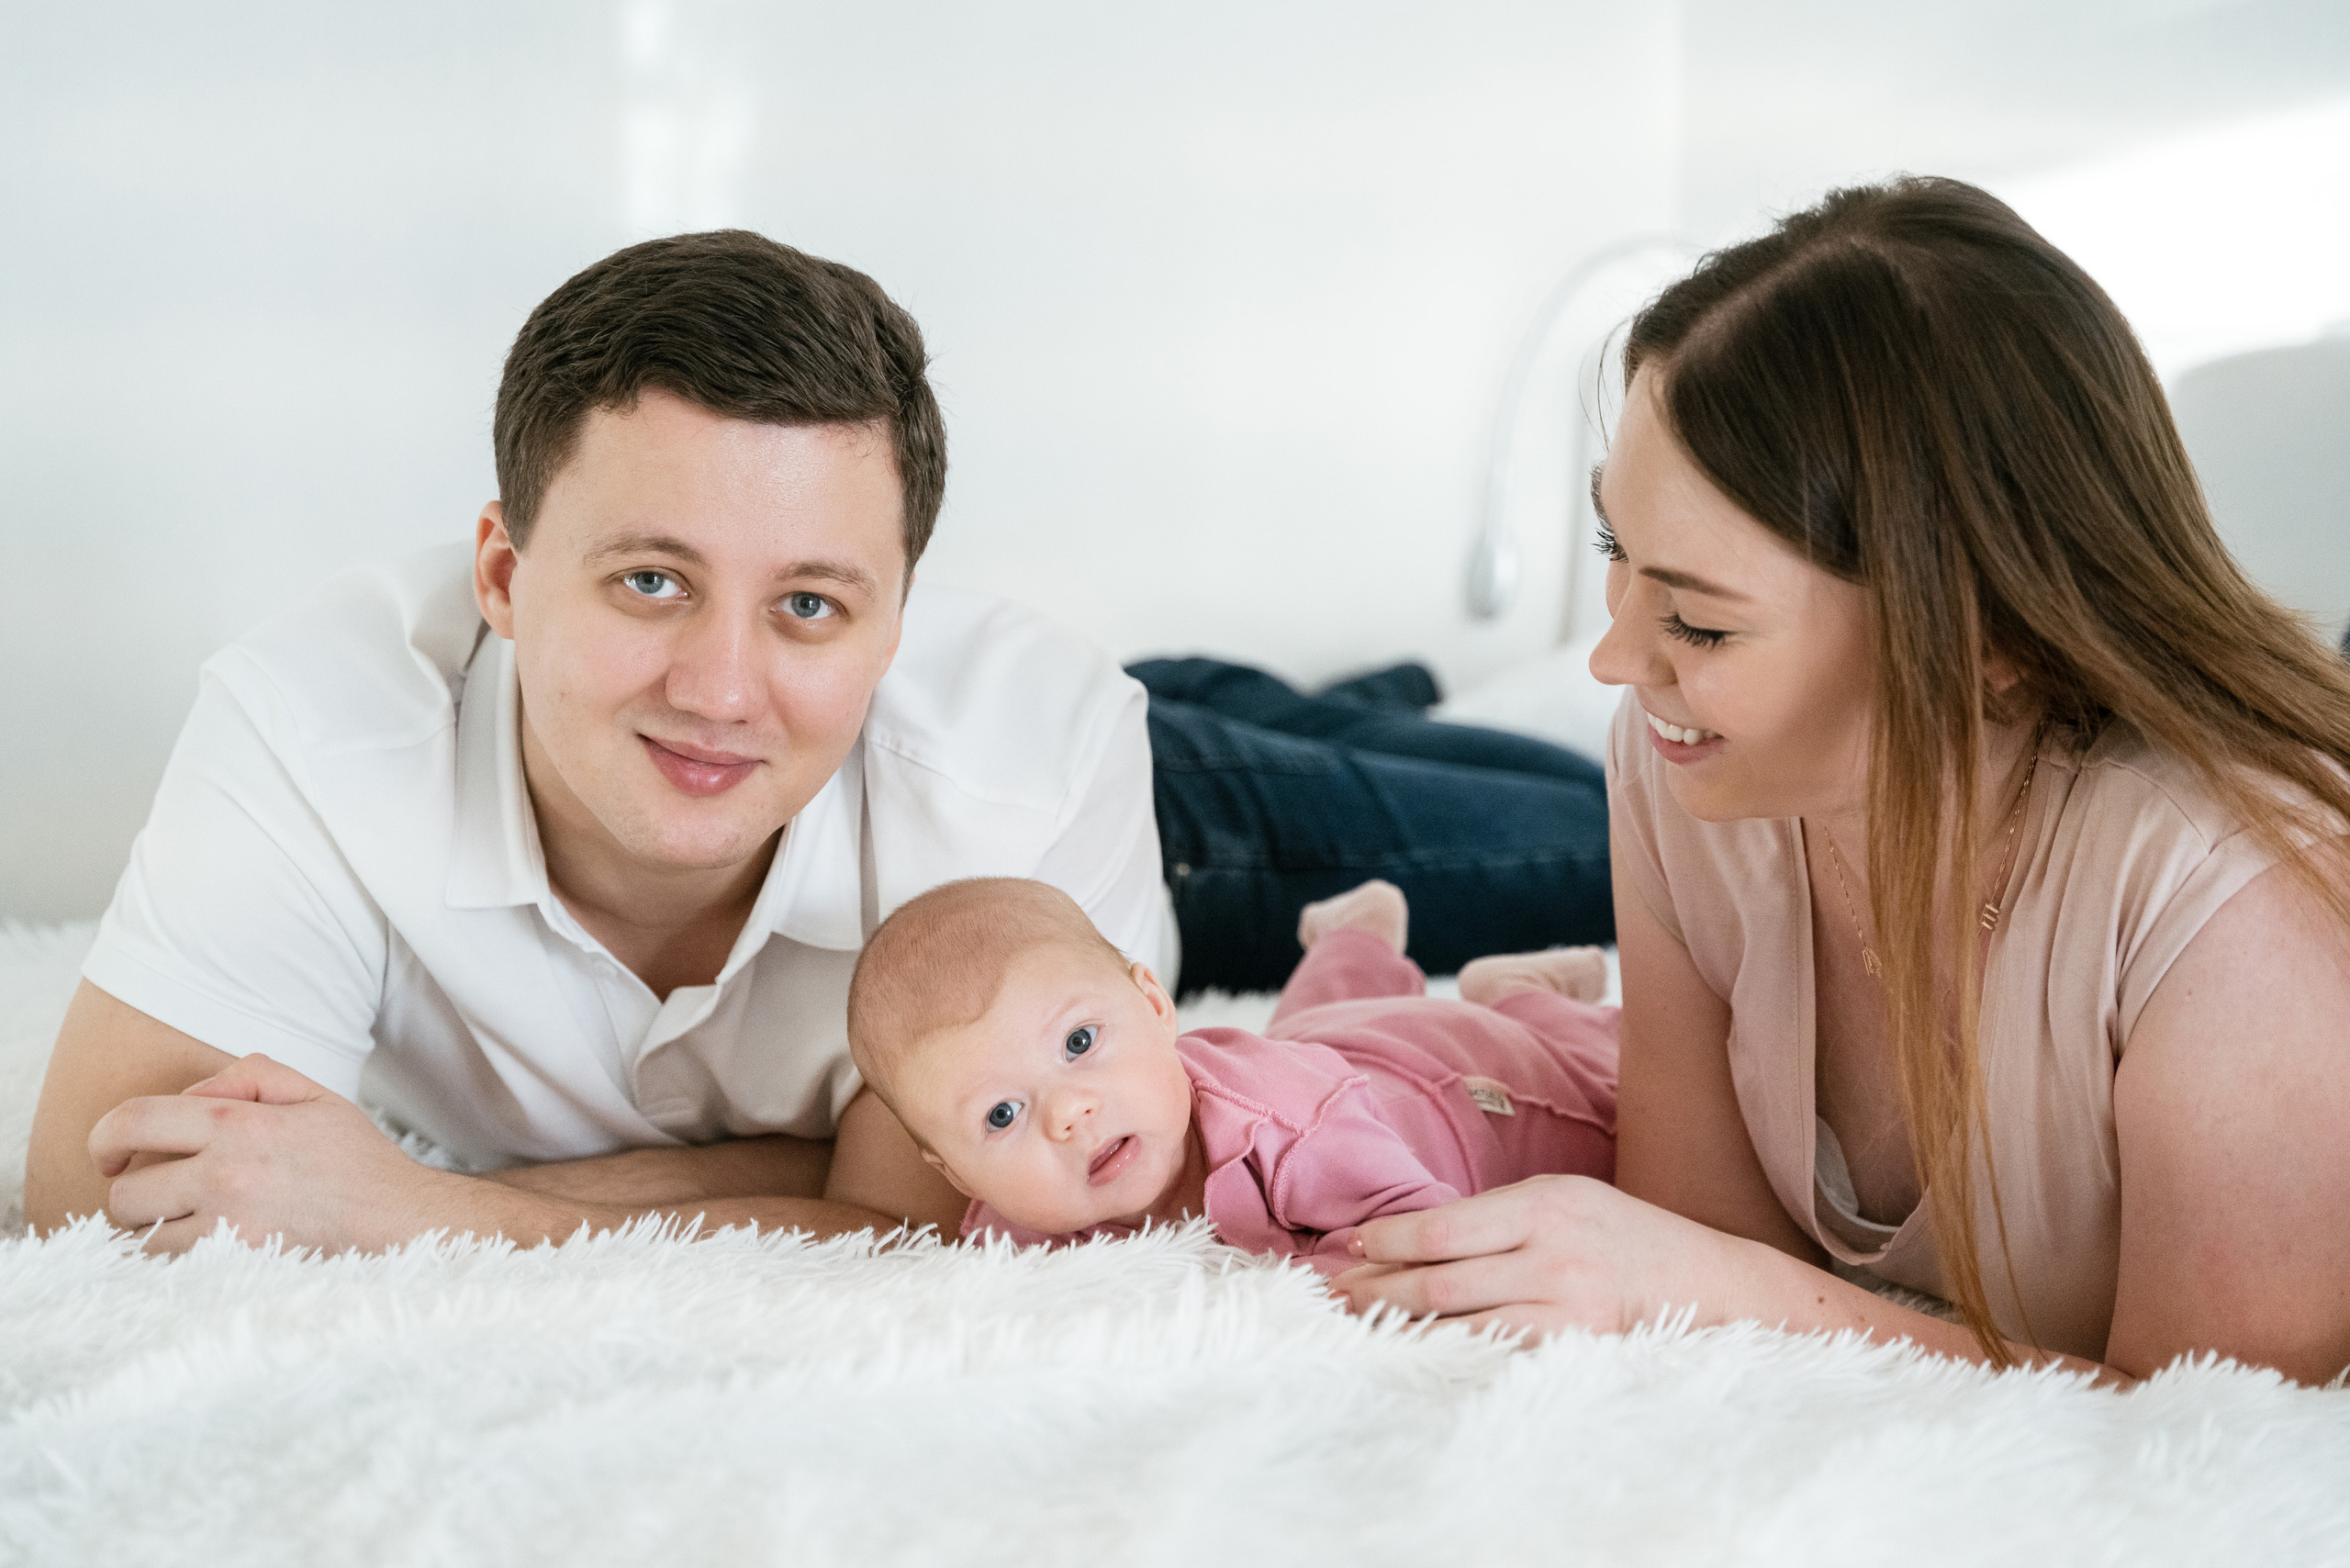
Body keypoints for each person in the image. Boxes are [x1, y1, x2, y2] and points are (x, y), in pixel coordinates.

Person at [1334, 177, 2350, 1385]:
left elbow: (2221, 1455)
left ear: (1993, 640)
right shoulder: (1690, 786)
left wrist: (1736, 1293)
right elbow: (1694, 1251)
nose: (1614, 660)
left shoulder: (2237, 899)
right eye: (1617, 552)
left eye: (1699, 626)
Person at [24, 230, 1168, 1250]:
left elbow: (961, 1209)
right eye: (652, 581)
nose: (721, 691)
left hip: (1203, 796)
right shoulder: (312, 730)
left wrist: (418, 1202)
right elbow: (104, 1197)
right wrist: (814, 1171)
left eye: (809, 603)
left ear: (894, 632)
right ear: (503, 578)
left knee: (1352, 782)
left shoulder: (1037, 765)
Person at [844, 877, 1617, 1272]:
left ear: (1153, 1004)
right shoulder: (1009, 1236)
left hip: (1447, 1078)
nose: (1069, 1113)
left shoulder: (1294, 1125)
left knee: (1604, 1100)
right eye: (1001, 1116)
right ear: (957, 1172)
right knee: (1305, 1027)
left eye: (1079, 1041)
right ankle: (1354, 940)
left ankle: (1519, 993)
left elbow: (1423, 1238)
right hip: (1311, 1048)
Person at [1129, 657, 1615, 995]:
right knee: (1618, 819)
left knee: (1618, 830)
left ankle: (1363, 703)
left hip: (1155, 785)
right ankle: (1379, 695)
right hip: (1132, 704)